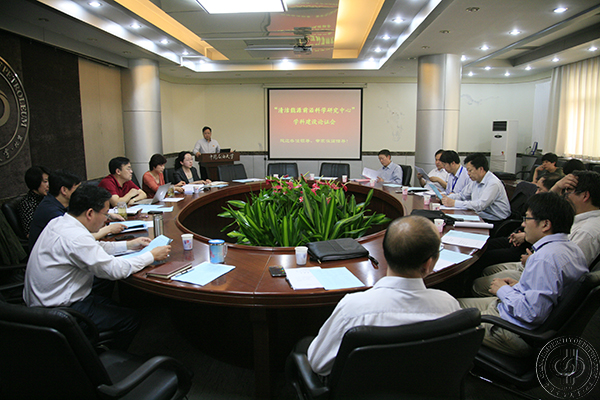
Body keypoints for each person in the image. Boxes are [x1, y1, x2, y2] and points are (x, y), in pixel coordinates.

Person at [306, 215, 461, 376]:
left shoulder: (353, 309)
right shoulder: (449, 306)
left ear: (384, 253)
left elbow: (318, 364)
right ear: (428, 264)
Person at [24, 185, 171, 350]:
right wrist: (151, 255)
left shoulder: (60, 223)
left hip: (44, 303)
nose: (106, 219)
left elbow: (93, 248)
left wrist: (129, 245)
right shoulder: (76, 238)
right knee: (130, 319)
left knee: (116, 304)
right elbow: (115, 270)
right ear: (89, 213)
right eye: (105, 214)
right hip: (61, 312)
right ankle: (103, 358)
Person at [459, 192, 588, 356]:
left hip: (513, 330)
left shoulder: (544, 259)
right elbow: (549, 294)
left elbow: (532, 314)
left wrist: (503, 290)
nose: (523, 224)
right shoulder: (572, 249)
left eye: (527, 218)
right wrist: (520, 286)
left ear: (545, 224)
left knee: (446, 316)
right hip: (512, 312)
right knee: (453, 304)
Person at [472, 171, 600, 296]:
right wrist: (556, 187)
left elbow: (565, 273)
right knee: (487, 270)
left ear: (585, 196)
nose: (565, 196)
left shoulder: (586, 232)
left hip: (539, 272)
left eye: (568, 191)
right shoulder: (577, 217)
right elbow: (545, 207)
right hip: (536, 263)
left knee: (479, 283)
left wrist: (531, 262)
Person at [466, 173, 562, 285]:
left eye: (540, 189)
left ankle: (470, 285)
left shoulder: (554, 212)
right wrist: (517, 233)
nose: (536, 193)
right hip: (517, 237)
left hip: (525, 248)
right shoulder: (539, 205)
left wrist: (524, 237)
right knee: (484, 245)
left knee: (484, 256)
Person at [28, 170, 126, 249]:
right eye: (77, 189)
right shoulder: (51, 211)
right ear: (64, 190)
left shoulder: (61, 202)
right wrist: (109, 229)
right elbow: (79, 238)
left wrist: (106, 214)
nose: (80, 192)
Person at [441, 153, 511, 223]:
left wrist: (454, 203)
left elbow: (480, 205)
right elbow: (462, 195)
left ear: (481, 169)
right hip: (481, 215)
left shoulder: (493, 183)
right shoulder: (475, 181)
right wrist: (446, 198)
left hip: (495, 220)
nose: (468, 173)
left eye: (470, 170)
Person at [17, 166, 50, 237]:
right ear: (35, 182)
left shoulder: (49, 197)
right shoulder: (27, 204)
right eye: (45, 182)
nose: (48, 185)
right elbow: (30, 233)